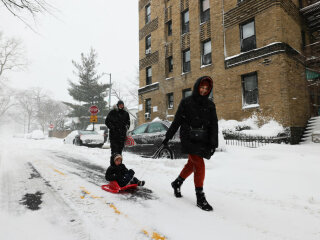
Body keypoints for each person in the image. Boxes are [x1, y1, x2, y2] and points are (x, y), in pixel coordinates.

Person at [162, 76, 218, 211]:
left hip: (202, 138)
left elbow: (214, 125)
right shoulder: (186, 102)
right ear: (197, 86)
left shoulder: (210, 105)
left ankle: (177, 183)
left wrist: (213, 143)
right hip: (188, 137)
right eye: (202, 87)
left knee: (191, 164)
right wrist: (167, 137)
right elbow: (176, 121)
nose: (204, 90)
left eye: (206, 88)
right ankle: (200, 196)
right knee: (199, 163)